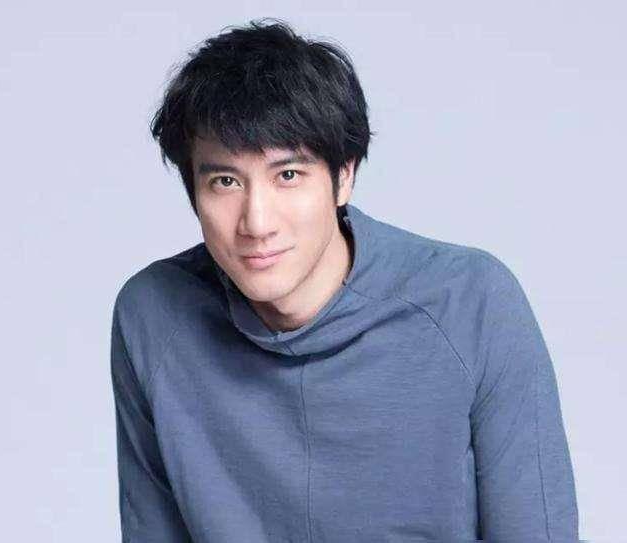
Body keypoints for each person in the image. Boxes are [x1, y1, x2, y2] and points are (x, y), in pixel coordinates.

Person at [109, 18, 579, 542]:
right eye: (225, 181)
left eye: (288, 175)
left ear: (344, 175)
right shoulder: (155, 315)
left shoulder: (471, 304)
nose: (257, 222)